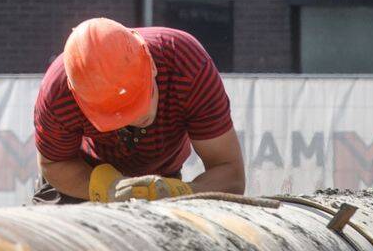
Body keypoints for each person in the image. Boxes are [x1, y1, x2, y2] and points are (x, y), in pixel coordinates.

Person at [31, 17, 245, 204]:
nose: (135, 118)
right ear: (79, 98)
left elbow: (229, 172)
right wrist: (106, 188)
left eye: (139, 101)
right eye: (116, 114)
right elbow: (54, 163)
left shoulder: (186, 63)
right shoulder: (58, 91)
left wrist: (180, 193)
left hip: (163, 176)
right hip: (82, 179)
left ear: (152, 65)